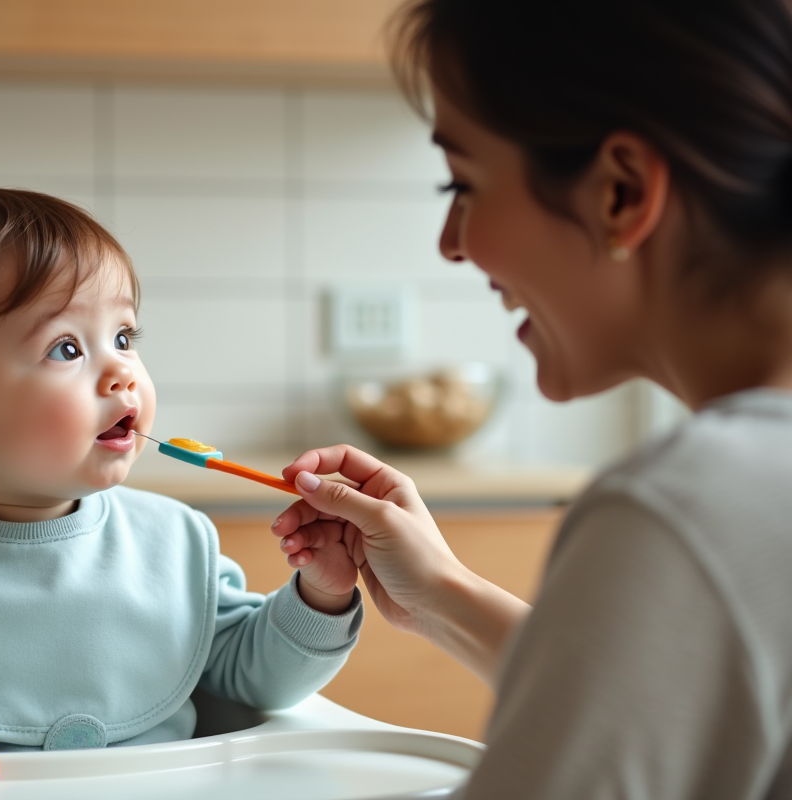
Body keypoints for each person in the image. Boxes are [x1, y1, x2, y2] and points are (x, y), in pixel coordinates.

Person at [271, 0, 792, 797]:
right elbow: (656, 704)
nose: (452, 242)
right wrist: (442, 593)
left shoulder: (689, 507)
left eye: (465, 182)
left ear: (621, 192)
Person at [0, 188, 363, 791]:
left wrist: (321, 596)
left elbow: (256, 679)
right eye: (66, 348)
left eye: (124, 337)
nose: (122, 371)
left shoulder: (171, 542)